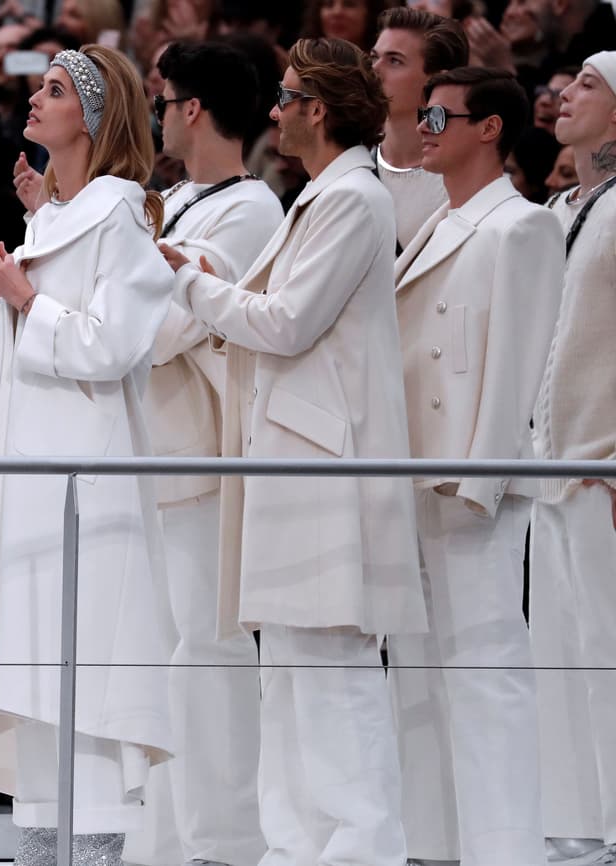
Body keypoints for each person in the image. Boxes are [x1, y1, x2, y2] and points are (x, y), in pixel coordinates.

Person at [159, 37, 423, 864]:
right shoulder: (319, 197)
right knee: (289, 673)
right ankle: (295, 843)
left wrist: (186, 280)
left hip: (326, 462)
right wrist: (201, 278)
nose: (273, 112)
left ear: (318, 108)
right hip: (286, 457)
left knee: (333, 674)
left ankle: (359, 847)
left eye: (287, 97)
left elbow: (284, 322)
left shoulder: (354, 200)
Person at [0, 44, 175, 866]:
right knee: (35, 673)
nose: (34, 102)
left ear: (94, 113)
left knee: (81, 676)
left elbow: (111, 347)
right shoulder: (54, 213)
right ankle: (43, 849)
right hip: (26, 469)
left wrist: (23, 296)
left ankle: (95, 852)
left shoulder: (121, 213)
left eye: (53, 91)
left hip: (81, 471)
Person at [390, 66, 563, 866]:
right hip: (415, 475)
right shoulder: (438, 221)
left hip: (470, 482)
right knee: (422, 678)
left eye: (439, 114)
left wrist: (484, 481)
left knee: (486, 669)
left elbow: (520, 363)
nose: (425, 127)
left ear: (489, 127)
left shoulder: (519, 226)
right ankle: (435, 843)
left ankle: (504, 851)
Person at [140, 40, 283, 866]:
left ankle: (226, 841)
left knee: (209, 654)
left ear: (193, 107)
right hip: (152, 453)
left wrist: (119, 312)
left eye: (164, 98)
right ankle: (164, 838)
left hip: (200, 454)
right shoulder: (175, 197)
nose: (158, 113)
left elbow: (163, 329)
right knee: (165, 660)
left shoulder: (250, 209)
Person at [529, 50, 616, 866]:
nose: (566, 94)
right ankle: (579, 823)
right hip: (549, 470)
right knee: (561, 659)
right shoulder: (561, 210)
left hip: (604, 468)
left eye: (588, 83)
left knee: (609, 654)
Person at [370, 7, 468, 250]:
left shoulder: (463, 183)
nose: (374, 69)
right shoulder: (349, 162)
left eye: (394, 60)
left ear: (437, 83)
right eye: (374, 57)